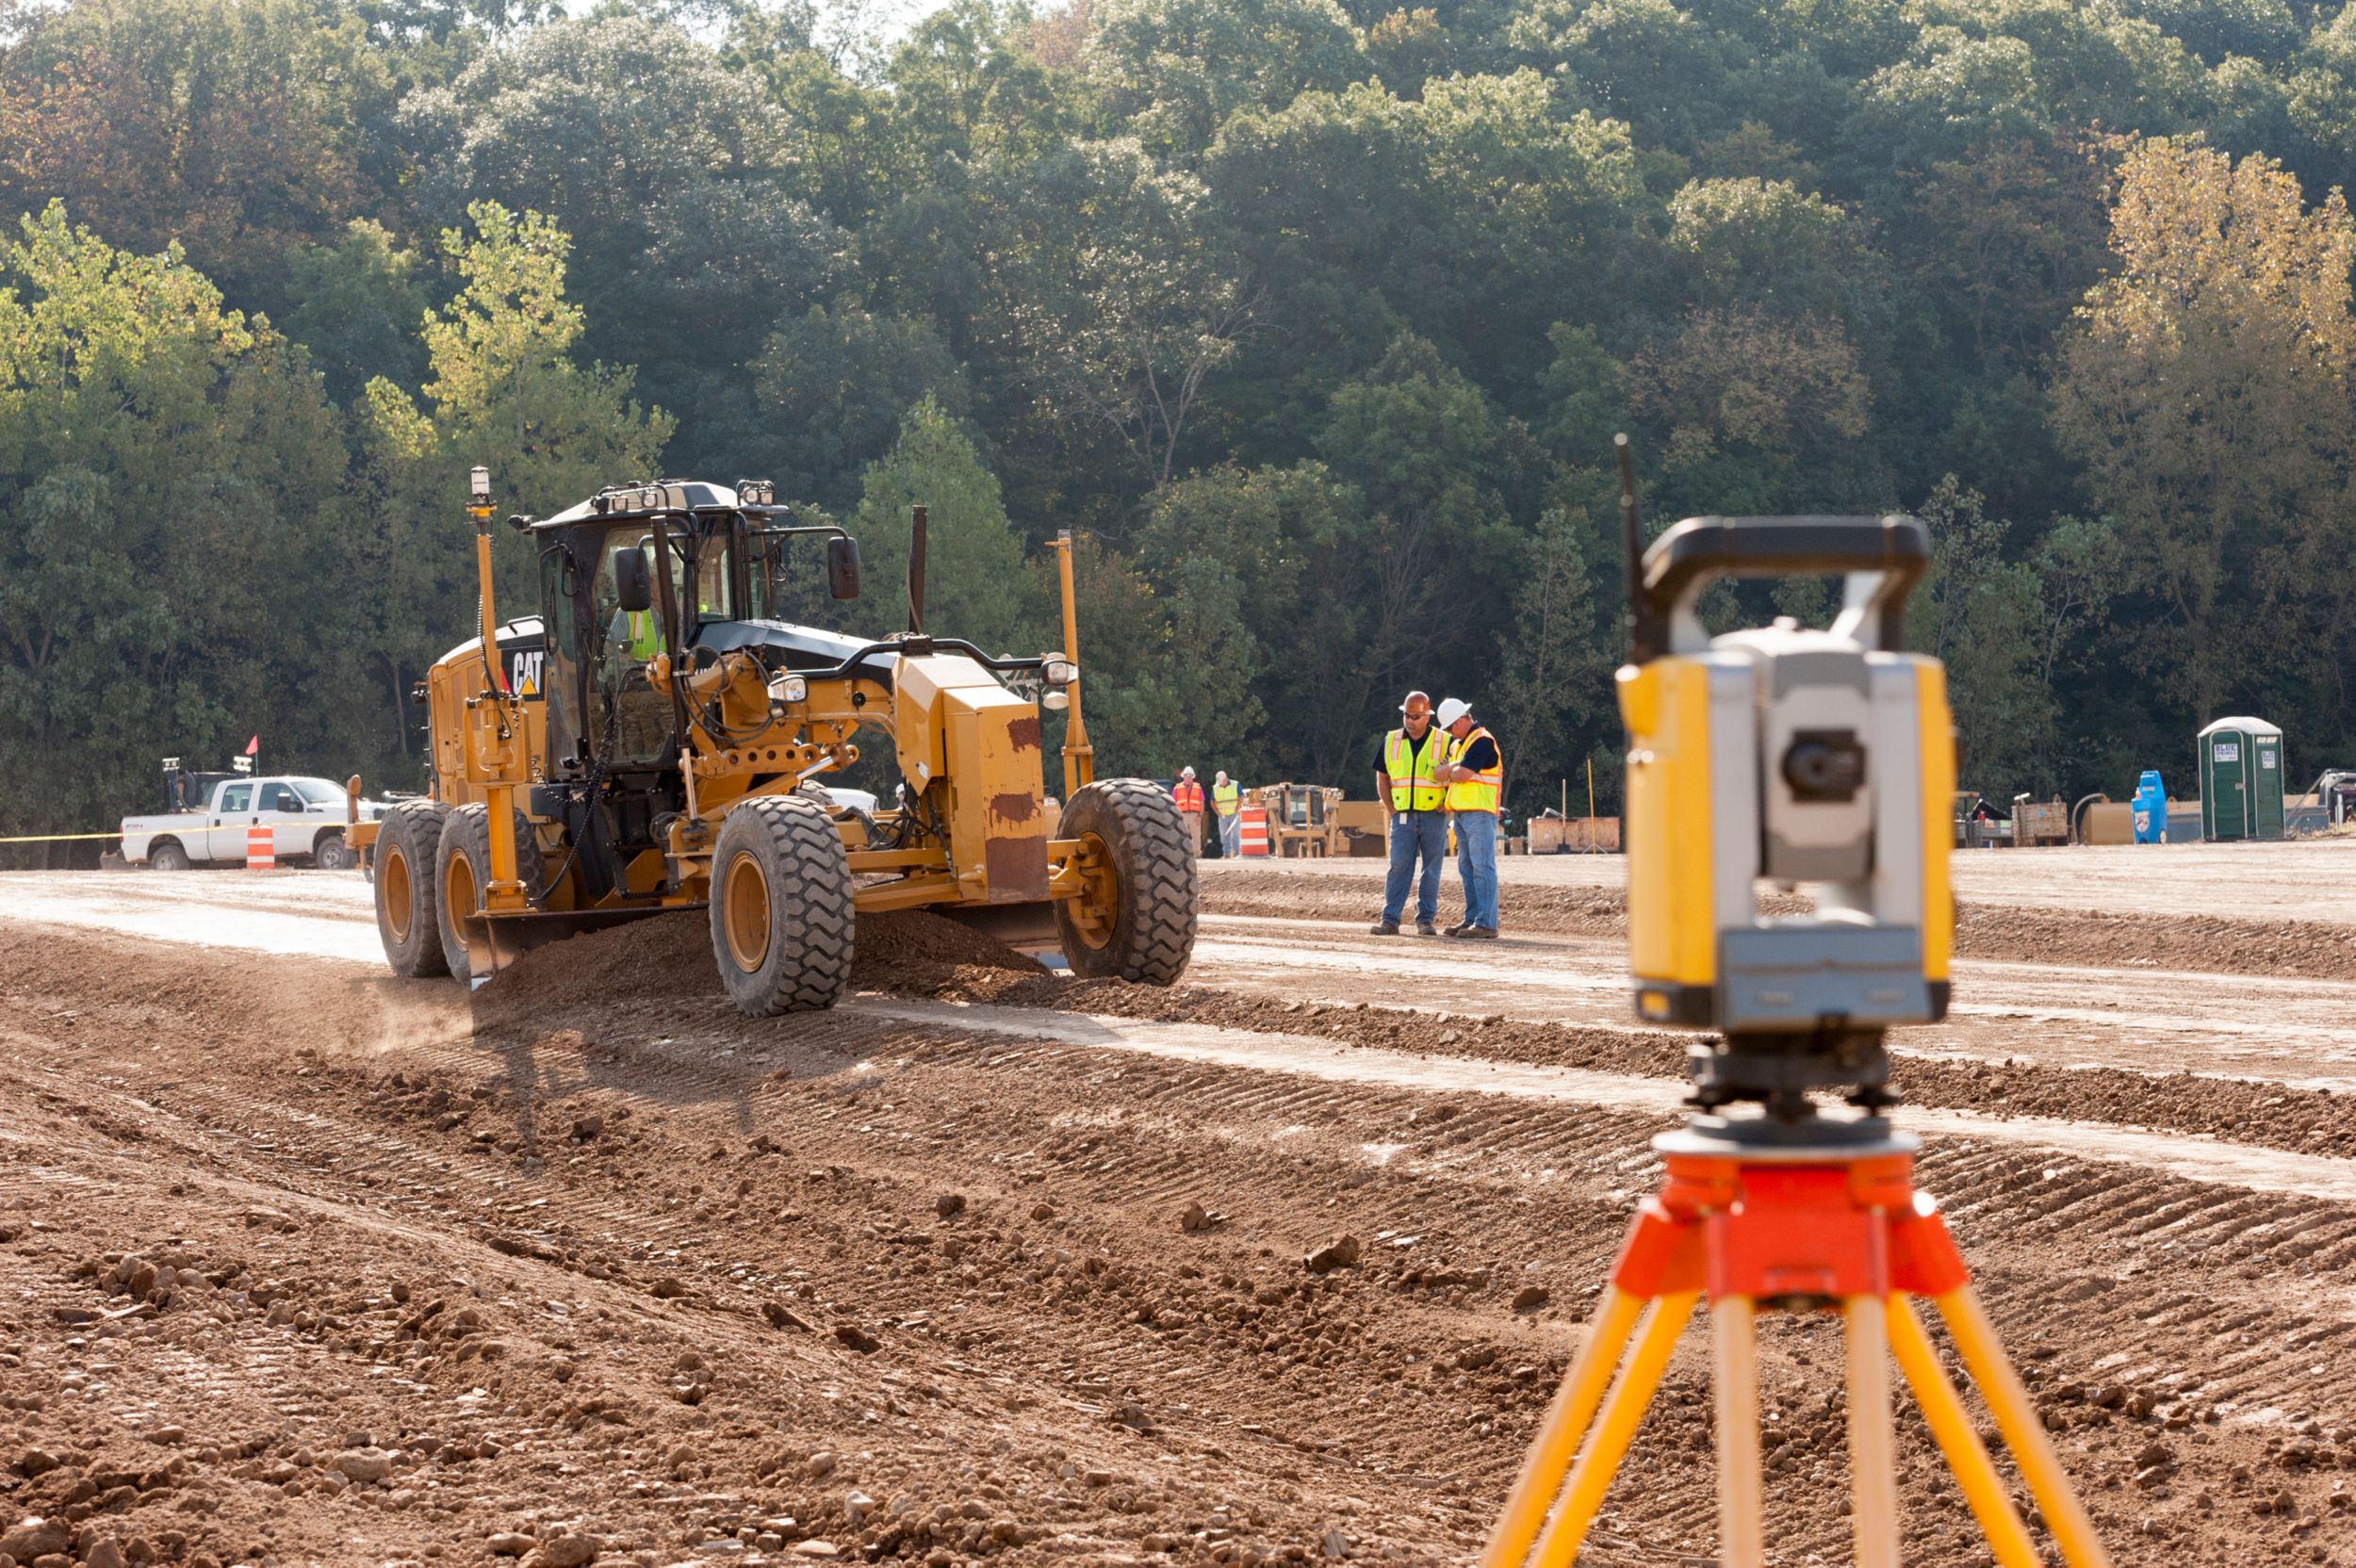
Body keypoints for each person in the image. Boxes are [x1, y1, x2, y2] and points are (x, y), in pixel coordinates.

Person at [1370, 691, 1448, 936]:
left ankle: (1425, 921)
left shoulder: (1444, 741)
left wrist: (1449, 803)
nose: (1410, 721)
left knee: (1431, 869)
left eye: (1415, 716)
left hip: (1434, 815)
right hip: (1402, 815)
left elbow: (1458, 774)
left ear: (1427, 716)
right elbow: (1382, 776)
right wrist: (1391, 809)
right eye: (1407, 715)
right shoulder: (1391, 740)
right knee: (1399, 867)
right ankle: (1390, 919)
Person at [1434, 696, 1503, 939]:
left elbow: (1461, 774)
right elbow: (1437, 773)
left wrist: (1452, 769)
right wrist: (1454, 767)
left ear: (1462, 720)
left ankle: (1486, 923)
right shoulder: (1458, 746)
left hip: (1480, 813)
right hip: (1462, 814)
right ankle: (1473, 920)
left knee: (1482, 867)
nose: (1451, 733)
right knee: (1467, 868)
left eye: (1452, 727)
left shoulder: (1482, 741)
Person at [1171, 766, 1205, 857]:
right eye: (1187, 775)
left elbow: (1202, 803)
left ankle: (1197, 855)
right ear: (1183, 776)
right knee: (1181, 836)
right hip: (1182, 815)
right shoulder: (1177, 788)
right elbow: (1173, 804)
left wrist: (1200, 816)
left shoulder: (1198, 788)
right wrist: (1176, 817)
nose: (1188, 777)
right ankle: (1182, 855)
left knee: (1196, 836)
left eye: (1190, 775)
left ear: (1193, 777)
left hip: (1195, 815)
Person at [1212, 770, 1242, 857]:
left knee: (1236, 834)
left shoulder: (1235, 784)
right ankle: (1226, 853)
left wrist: (1237, 809)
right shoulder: (1216, 787)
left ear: (1225, 779)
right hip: (1222, 815)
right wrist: (1218, 813)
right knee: (1224, 835)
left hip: (1234, 814)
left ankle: (1237, 853)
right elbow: (1212, 801)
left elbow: (1241, 796)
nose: (1220, 784)